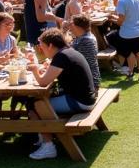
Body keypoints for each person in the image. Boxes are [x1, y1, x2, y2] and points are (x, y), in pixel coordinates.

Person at [26, 28, 97, 160]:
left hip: (80, 101)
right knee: (42, 101)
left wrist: (35, 69)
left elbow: (43, 82)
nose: (42, 51)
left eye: (43, 47)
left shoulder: (61, 57)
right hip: (87, 97)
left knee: (34, 105)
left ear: (51, 45)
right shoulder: (68, 52)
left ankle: (48, 146)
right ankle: (44, 136)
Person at [108, 0, 139, 81]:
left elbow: (121, 21)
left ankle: (130, 73)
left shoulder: (122, 0)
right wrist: (114, 17)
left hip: (127, 33)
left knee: (129, 53)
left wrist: (111, 19)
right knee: (138, 52)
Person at [69, 14, 102, 96]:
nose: (70, 27)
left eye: (71, 25)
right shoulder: (82, 37)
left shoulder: (86, 41)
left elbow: (72, 59)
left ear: (78, 27)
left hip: (89, 83)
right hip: (87, 80)